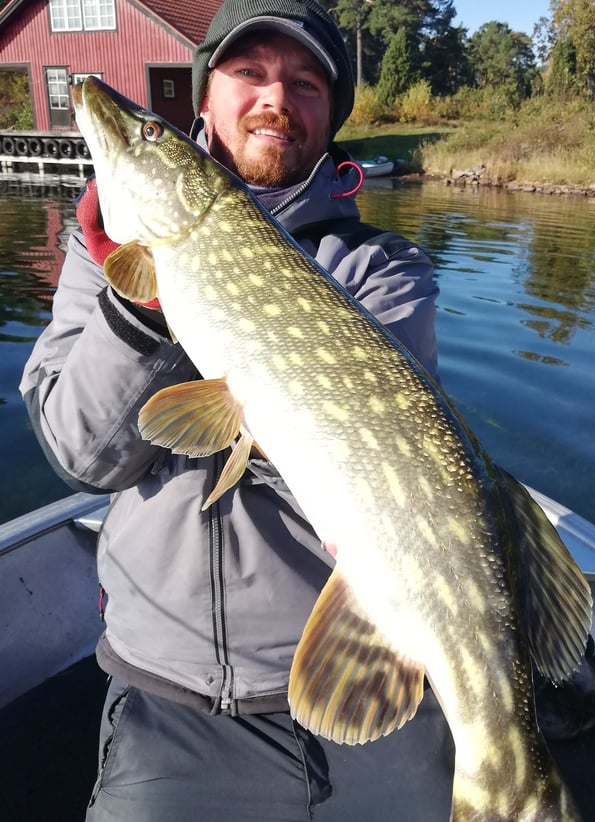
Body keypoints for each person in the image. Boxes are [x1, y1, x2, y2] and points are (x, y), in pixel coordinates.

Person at [19, 1, 454, 819]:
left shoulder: (379, 269)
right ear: (206, 98)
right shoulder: (98, 244)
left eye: (304, 83)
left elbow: (391, 470)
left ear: (331, 115)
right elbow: (82, 457)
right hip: (171, 699)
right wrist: (140, 308)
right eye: (248, 73)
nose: (274, 98)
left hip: (358, 675)